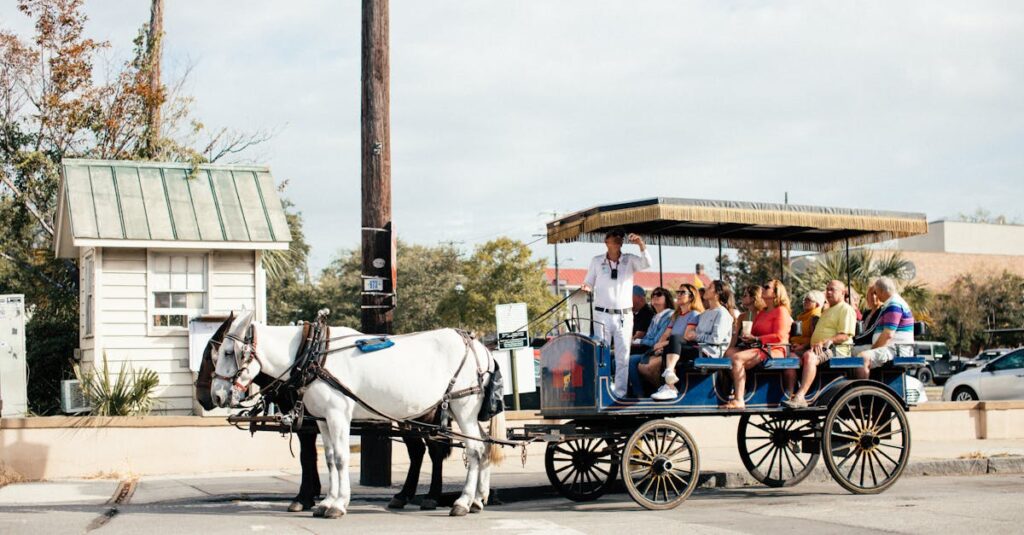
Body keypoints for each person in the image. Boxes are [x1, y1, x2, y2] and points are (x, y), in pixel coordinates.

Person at [581, 229, 651, 397]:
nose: (618, 242)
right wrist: (586, 288)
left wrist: (641, 245)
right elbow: (589, 282)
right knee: (602, 354)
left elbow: (647, 263)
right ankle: (601, 390)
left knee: (623, 354)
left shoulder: (629, 260)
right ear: (607, 242)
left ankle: (620, 393)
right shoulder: (597, 261)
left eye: (620, 239)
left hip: (624, 315)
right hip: (602, 314)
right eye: (615, 239)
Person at [651, 280, 735, 401]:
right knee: (671, 344)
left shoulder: (723, 314)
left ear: (717, 294)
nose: (706, 288)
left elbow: (716, 339)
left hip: (709, 352)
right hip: (698, 347)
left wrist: (695, 336)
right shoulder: (705, 313)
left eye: (710, 287)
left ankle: (669, 382)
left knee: (674, 341)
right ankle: (670, 384)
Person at [783, 280, 858, 408]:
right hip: (817, 347)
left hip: (836, 349)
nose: (828, 292)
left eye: (832, 289)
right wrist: (804, 346)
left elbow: (845, 335)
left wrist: (824, 342)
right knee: (791, 358)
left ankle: (801, 396)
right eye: (827, 289)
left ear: (843, 292)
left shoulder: (846, 309)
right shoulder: (827, 310)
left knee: (810, 357)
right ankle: (790, 394)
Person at [722, 279, 792, 409]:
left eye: (767, 287)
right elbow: (755, 333)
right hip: (760, 348)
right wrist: (748, 338)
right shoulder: (763, 312)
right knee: (728, 353)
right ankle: (737, 388)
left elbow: (780, 337)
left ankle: (739, 399)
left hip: (775, 350)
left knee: (737, 358)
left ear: (776, 293)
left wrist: (757, 339)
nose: (763, 288)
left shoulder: (781, 311)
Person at [636, 284, 703, 394]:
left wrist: (662, 345)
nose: (679, 295)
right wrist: (659, 345)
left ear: (691, 297)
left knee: (649, 367)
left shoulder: (694, 314)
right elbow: (666, 334)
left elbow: (685, 337)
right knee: (642, 366)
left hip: (683, 349)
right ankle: (662, 387)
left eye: (682, 292)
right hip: (669, 347)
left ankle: (669, 387)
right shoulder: (676, 315)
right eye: (678, 292)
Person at [855, 277, 915, 379]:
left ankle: (863, 391)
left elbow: (888, 334)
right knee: (852, 351)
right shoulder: (889, 304)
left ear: (881, 291)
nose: (876, 296)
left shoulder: (894, 304)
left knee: (863, 358)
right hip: (888, 347)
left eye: (876, 292)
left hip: (896, 350)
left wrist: (873, 349)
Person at [626, 288, 675, 397]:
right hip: (650, 349)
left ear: (667, 298)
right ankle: (631, 391)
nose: (655, 296)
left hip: (661, 350)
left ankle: (639, 395)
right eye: (653, 295)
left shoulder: (669, 315)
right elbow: (649, 337)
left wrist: (637, 341)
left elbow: (656, 340)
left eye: (659, 294)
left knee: (631, 360)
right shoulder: (655, 317)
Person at [852, 282, 882, 352]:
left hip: (872, 344)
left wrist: (854, 339)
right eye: (871, 294)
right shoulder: (866, 313)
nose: (873, 297)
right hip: (861, 343)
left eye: (875, 293)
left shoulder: (881, 311)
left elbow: (871, 331)